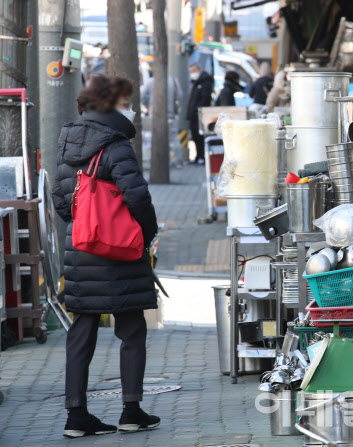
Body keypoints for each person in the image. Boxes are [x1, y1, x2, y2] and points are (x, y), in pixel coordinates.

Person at [52, 74, 160, 439]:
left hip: (81, 249)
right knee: (131, 329)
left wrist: (85, 227)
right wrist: (145, 235)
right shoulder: (116, 146)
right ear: (113, 105)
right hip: (120, 251)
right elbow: (138, 198)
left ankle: (76, 415)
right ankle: (131, 410)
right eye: (127, 102)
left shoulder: (67, 143)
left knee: (81, 330)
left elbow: (61, 201)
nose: (131, 108)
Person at [141, 74, 183, 167]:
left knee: (156, 137)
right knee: (173, 138)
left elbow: (143, 95)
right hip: (171, 114)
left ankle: (158, 160)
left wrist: (148, 105)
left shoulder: (151, 81)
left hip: (155, 114)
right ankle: (178, 161)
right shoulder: (173, 80)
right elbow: (179, 96)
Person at [186, 62, 214, 164]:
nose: (192, 73)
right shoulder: (196, 82)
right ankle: (198, 156)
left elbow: (205, 98)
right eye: (190, 71)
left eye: (193, 71)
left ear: (199, 70)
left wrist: (197, 110)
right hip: (194, 114)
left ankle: (201, 156)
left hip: (199, 114)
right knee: (195, 137)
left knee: (199, 137)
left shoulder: (205, 81)